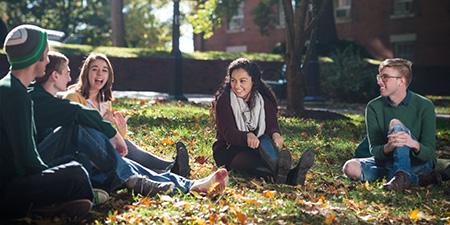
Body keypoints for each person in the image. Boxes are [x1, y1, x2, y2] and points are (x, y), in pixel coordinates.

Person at [30, 51, 229, 197]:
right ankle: (143, 179)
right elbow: (78, 115)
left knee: (124, 162)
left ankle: (188, 184)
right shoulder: (54, 99)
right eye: (66, 72)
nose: (69, 76)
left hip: (81, 154)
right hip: (52, 163)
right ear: (55, 76)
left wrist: (119, 132)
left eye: (104, 70)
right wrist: (113, 133)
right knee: (85, 131)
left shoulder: (55, 99)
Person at [0, 24, 93, 219]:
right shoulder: (17, 95)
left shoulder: (9, 86)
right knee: (77, 174)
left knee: (77, 163)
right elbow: (26, 160)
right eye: (47, 54)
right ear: (36, 57)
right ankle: (43, 206)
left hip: (12, 181)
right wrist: (52, 177)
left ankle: (56, 203)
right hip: (9, 190)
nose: (48, 59)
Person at [64, 52, 190, 177]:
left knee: (126, 145)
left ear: (109, 75)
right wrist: (103, 122)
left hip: (106, 147)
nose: (99, 74)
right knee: (125, 149)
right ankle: (169, 170)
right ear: (86, 73)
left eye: (104, 70)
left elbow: (115, 137)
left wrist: (121, 128)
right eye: (94, 69)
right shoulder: (73, 96)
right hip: (87, 152)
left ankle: (170, 168)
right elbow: (80, 132)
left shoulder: (105, 100)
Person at [212, 58, 315, 185]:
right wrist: (246, 136)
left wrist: (276, 134)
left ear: (253, 81)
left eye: (242, 81)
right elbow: (229, 134)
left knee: (265, 146)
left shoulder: (262, 100)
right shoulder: (224, 101)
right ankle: (291, 175)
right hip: (229, 150)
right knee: (255, 159)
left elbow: (271, 125)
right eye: (233, 80)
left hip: (259, 148)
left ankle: (284, 175)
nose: (237, 86)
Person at [342, 58, 437, 191]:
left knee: (395, 123)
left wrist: (412, 143)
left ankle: (401, 175)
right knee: (350, 167)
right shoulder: (373, 107)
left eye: (385, 77)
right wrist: (389, 146)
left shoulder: (425, 105)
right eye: (379, 77)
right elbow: (374, 150)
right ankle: (411, 178)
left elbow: (429, 153)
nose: (380, 82)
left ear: (401, 80)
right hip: (387, 161)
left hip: (418, 163)